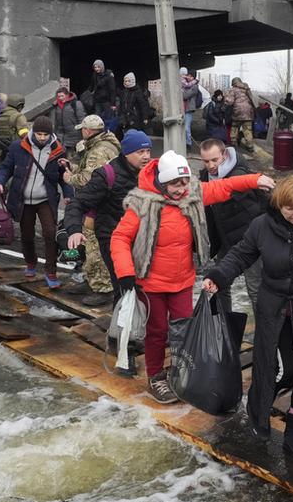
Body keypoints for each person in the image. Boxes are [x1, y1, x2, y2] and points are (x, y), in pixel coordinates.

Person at [203, 175, 293, 457]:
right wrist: (218, 276)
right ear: (278, 206)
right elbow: (240, 255)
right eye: (290, 208)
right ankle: (258, 409)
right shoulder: (261, 226)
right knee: (281, 368)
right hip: (275, 309)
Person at [109, 150, 274, 400]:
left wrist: (255, 179)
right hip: (150, 281)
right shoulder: (142, 203)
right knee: (158, 331)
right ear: (163, 182)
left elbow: (223, 187)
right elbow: (120, 237)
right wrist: (125, 272)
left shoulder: (192, 195)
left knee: (184, 329)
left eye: (185, 182)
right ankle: (155, 376)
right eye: (176, 183)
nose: (182, 188)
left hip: (182, 279)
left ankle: (179, 371)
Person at [63, 129, 152, 299]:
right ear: (126, 152)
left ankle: (139, 322)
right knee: (123, 287)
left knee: (143, 287)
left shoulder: (150, 173)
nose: (146, 156)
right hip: (112, 237)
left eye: (148, 151)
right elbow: (78, 202)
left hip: (140, 238)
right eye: (140, 152)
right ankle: (121, 322)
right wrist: (74, 229)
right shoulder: (107, 174)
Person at [0, 116, 74, 289]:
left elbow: (63, 175)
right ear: (33, 132)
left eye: (46, 134)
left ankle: (51, 271)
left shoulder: (58, 150)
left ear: (50, 134)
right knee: (27, 235)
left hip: (46, 199)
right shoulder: (18, 146)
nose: (42, 137)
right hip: (23, 200)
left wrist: (68, 194)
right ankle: (30, 262)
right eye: (39, 134)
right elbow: (6, 167)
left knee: (50, 234)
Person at [198, 138, 267, 314]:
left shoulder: (240, 173)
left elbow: (263, 204)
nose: (211, 165)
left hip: (250, 242)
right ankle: (224, 328)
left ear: (224, 155)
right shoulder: (204, 177)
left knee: (255, 289)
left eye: (215, 160)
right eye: (206, 161)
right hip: (224, 241)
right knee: (219, 286)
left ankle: (265, 334)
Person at [64, 114, 121, 306]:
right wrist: (74, 167)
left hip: (98, 206)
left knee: (95, 246)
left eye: (83, 129)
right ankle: (92, 280)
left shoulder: (98, 151)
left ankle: (103, 288)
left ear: (88, 131)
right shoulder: (106, 145)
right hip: (102, 204)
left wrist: (70, 178)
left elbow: (89, 181)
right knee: (91, 245)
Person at [0, 93, 28, 166]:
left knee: (3, 173)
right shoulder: (18, 116)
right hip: (15, 152)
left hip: (0, 154)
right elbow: (24, 134)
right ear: (20, 106)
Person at [50, 86, 87, 153]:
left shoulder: (76, 104)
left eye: (62, 96)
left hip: (74, 135)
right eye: (59, 96)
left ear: (67, 95)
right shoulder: (56, 106)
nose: (60, 98)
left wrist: (83, 135)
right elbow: (55, 121)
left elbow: (82, 119)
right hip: (61, 136)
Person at [226, 77, 256, 154]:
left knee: (235, 127)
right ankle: (250, 147)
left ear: (233, 83)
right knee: (247, 130)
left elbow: (230, 102)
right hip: (248, 112)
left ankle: (233, 143)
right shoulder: (246, 88)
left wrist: (225, 100)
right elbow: (252, 99)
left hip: (238, 112)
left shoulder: (233, 90)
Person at [89, 60, 119, 132]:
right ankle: (98, 133)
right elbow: (91, 86)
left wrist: (113, 104)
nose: (96, 69)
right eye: (95, 67)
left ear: (102, 67)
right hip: (97, 100)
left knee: (108, 119)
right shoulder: (94, 75)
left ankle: (107, 133)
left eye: (98, 67)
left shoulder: (108, 75)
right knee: (97, 119)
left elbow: (112, 90)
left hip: (107, 101)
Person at [180, 67, 200, 147]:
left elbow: (185, 96)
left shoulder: (194, 86)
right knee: (182, 127)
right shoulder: (185, 85)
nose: (188, 77)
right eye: (188, 75)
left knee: (186, 128)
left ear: (193, 77)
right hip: (182, 108)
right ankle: (183, 143)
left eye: (190, 76)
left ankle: (188, 143)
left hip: (188, 110)